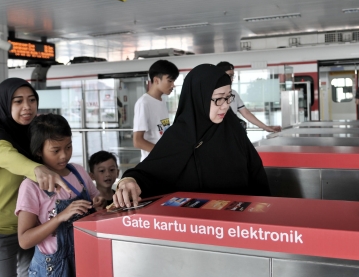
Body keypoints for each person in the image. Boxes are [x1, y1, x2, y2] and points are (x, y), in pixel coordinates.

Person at [113, 64, 271, 207]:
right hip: (194, 227)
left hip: (240, 225)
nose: (225, 105)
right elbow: (150, 173)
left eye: (228, 97)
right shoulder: (178, 136)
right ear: (198, 98)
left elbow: (257, 177)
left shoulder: (233, 129)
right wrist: (129, 180)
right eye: (218, 99)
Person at [0, 78, 70, 277]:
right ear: (5, 104)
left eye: (32, 100)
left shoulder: (33, 134)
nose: (27, 107)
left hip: (30, 228)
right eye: (18, 101)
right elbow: (12, 159)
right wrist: (38, 169)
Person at [16, 114, 103, 277]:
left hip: (85, 259)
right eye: (56, 150)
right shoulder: (31, 186)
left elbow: (97, 204)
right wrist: (60, 218)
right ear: (38, 151)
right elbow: (25, 240)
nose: (64, 155)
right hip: (52, 272)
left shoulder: (78, 173)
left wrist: (99, 205)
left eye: (68, 147)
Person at [216, 61, 281, 133]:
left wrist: (265, 127)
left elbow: (246, 113)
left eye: (232, 76)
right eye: (229, 75)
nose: (232, 79)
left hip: (231, 132)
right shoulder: (211, 94)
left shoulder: (234, 93)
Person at [133, 59, 179, 160]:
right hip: (152, 163)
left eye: (173, 81)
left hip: (163, 160)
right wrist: (163, 152)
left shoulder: (161, 101)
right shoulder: (144, 103)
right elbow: (137, 141)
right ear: (156, 80)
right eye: (169, 80)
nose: (173, 85)